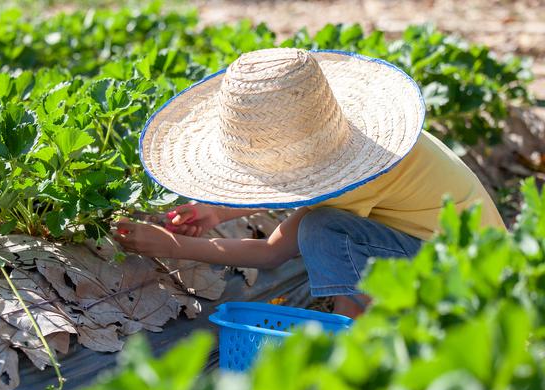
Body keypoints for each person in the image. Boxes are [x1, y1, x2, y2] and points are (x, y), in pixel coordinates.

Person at [115, 48, 505, 318]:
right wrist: (217, 210)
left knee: (322, 232)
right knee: (326, 231)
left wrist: (174, 246)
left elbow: (272, 253)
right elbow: (291, 185)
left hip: (473, 283)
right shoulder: (360, 145)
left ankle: (363, 336)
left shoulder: (361, 179)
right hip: (470, 259)